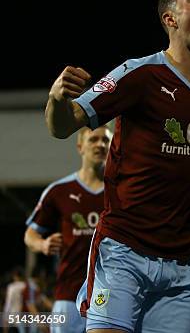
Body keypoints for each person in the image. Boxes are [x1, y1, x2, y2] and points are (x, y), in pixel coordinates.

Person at [45, 0, 190, 332]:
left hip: (186, 261)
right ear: (170, 19)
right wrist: (56, 98)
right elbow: (63, 126)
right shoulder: (138, 75)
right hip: (124, 251)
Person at [24, 126, 111, 333]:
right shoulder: (59, 191)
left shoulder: (121, 192)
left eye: (105, 141)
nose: (100, 145)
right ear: (80, 147)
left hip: (109, 296)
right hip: (68, 295)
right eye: (93, 140)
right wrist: (43, 244)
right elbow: (30, 234)